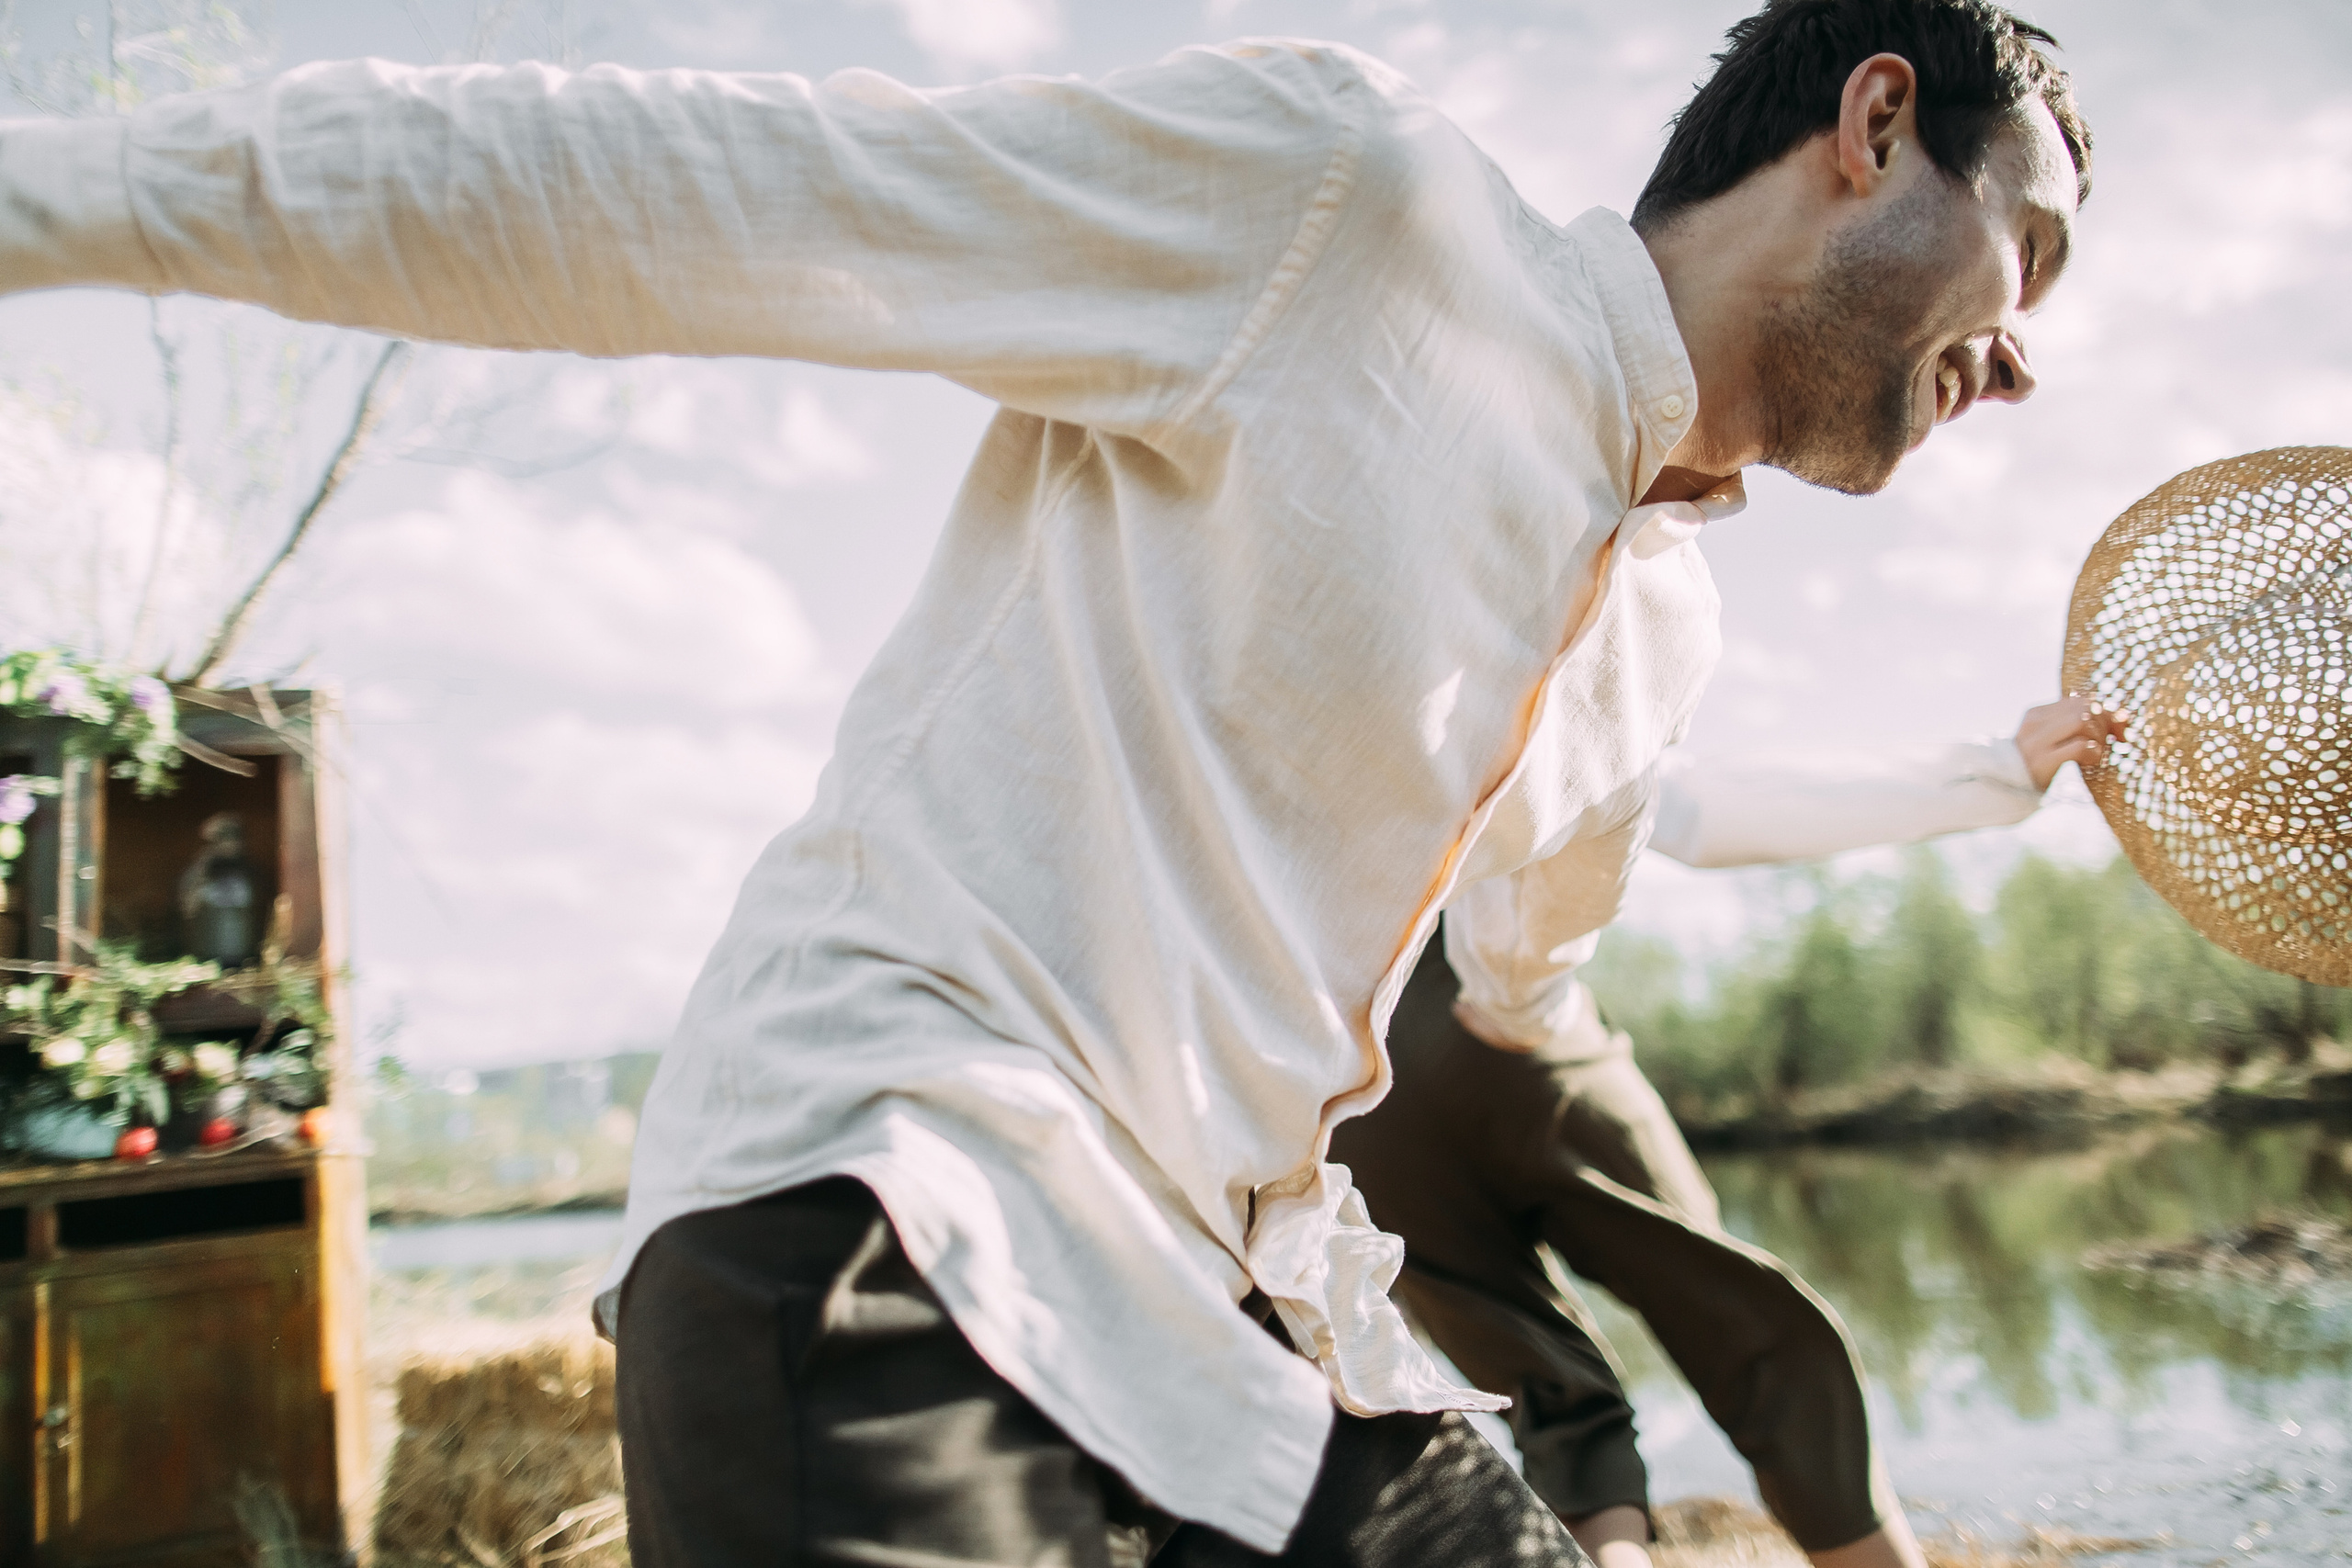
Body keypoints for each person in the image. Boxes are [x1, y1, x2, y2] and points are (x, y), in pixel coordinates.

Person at [0, 1, 2091, 1562]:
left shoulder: (1653, 617)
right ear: (1873, 120)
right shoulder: (1354, 214)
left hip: (1243, 1304)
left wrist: (1981, 781)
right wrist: (48, 198)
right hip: (897, 1219)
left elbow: (1569, 932)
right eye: (2033, 253)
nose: (2022, 356)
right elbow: (698, 194)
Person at [1334, 695, 2128, 1568]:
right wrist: (1999, 767)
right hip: (1524, 1041)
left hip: (1356, 1086)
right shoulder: (1524, 644)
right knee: (1749, 1332)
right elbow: (1700, 807)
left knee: (1545, 1389)